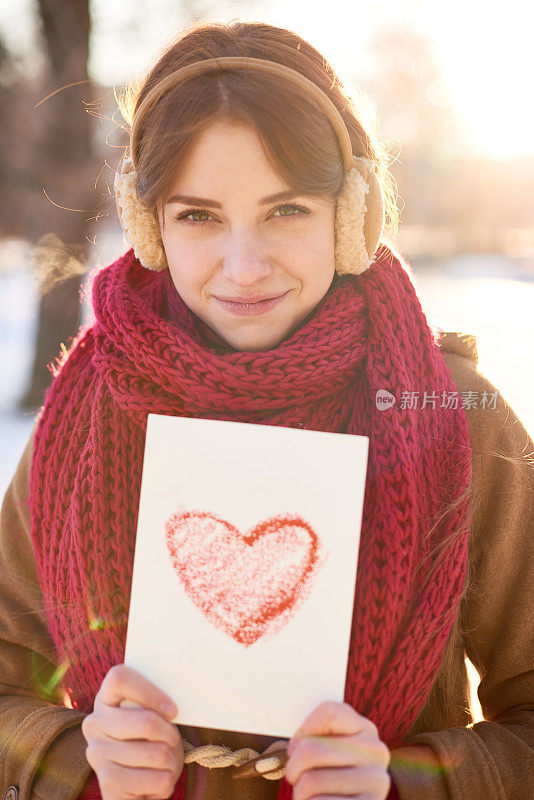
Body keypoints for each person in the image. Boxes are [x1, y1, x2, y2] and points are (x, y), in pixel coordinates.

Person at [0, 18, 533, 800]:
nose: (244, 268)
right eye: (198, 216)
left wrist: (410, 782)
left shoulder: (450, 412)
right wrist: (79, 759)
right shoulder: (84, 417)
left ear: (352, 218)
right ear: (150, 228)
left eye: (287, 210)